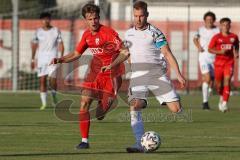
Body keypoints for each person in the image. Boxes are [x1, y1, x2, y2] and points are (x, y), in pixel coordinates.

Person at [102, 1, 185, 153]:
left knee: (176, 109)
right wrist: (111, 65)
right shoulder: (129, 33)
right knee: (134, 105)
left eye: (141, 16)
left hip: (156, 73)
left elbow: (167, 53)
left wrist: (178, 74)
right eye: (136, 16)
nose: (138, 19)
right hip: (138, 75)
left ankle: (166, 100)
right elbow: (125, 53)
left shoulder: (155, 32)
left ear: (147, 15)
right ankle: (139, 143)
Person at [50, 3, 127, 149]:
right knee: (84, 101)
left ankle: (103, 104)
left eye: (96, 18)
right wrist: (60, 59)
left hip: (112, 75)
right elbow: (76, 54)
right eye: (90, 19)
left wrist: (111, 65)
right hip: (94, 74)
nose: (94, 22)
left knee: (100, 114)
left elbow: (125, 52)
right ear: (86, 20)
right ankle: (84, 141)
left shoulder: (108, 33)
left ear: (99, 18)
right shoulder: (86, 35)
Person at [31, 12, 64, 110]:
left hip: (53, 58)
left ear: (50, 19)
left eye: (47, 19)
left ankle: (54, 97)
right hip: (41, 60)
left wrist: (61, 57)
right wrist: (32, 59)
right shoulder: (38, 32)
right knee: (42, 81)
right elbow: (34, 46)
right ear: (41, 20)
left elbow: (61, 44)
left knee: (53, 80)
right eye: (43, 19)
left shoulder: (56, 30)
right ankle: (44, 104)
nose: (46, 21)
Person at [208, 17, 239, 112]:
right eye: (224, 25)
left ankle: (225, 103)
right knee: (219, 86)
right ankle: (222, 96)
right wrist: (220, 52)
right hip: (218, 64)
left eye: (227, 25)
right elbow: (210, 49)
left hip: (229, 63)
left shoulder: (234, 36)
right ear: (221, 26)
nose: (225, 26)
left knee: (227, 80)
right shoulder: (216, 37)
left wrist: (236, 53)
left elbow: (236, 45)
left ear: (230, 26)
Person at [193, 11, 219, 110]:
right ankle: (205, 102)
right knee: (207, 78)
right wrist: (198, 46)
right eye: (207, 19)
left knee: (212, 81)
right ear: (204, 21)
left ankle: (206, 98)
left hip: (215, 58)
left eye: (211, 19)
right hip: (203, 57)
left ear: (214, 20)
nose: (209, 21)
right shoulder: (200, 29)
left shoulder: (217, 30)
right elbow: (195, 39)